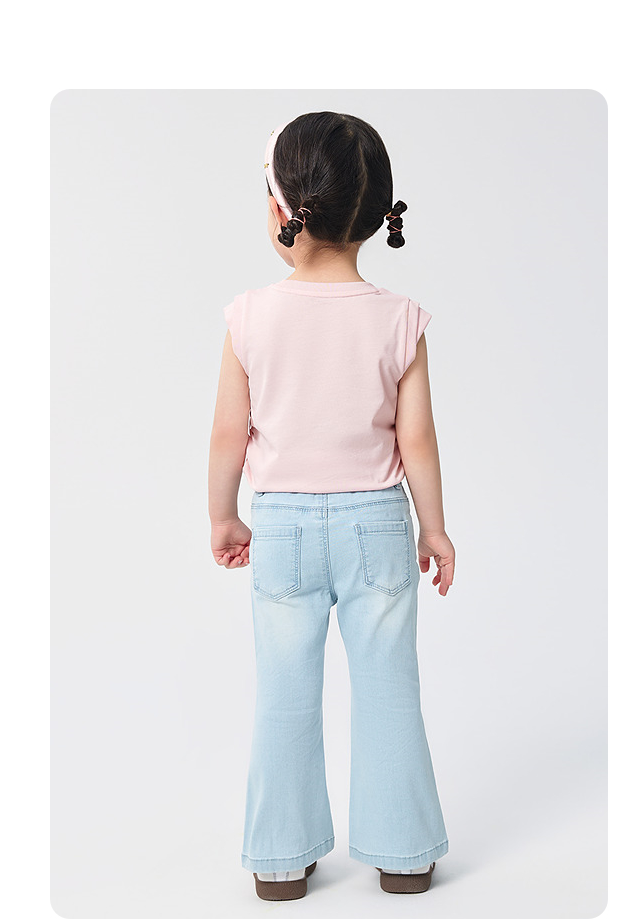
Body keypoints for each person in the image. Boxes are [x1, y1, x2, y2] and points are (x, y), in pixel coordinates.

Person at [208, 112, 456, 901]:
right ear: (377, 213)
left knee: (283, 694)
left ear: (282, 209)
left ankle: (279, 861)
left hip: (281, 525)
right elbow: (417, 439)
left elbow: (228, 433)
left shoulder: (249, 316)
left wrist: (224, 515)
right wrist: (434, 528)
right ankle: (405, 854)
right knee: (389, 690)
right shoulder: (400, 318)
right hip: (377, 522)